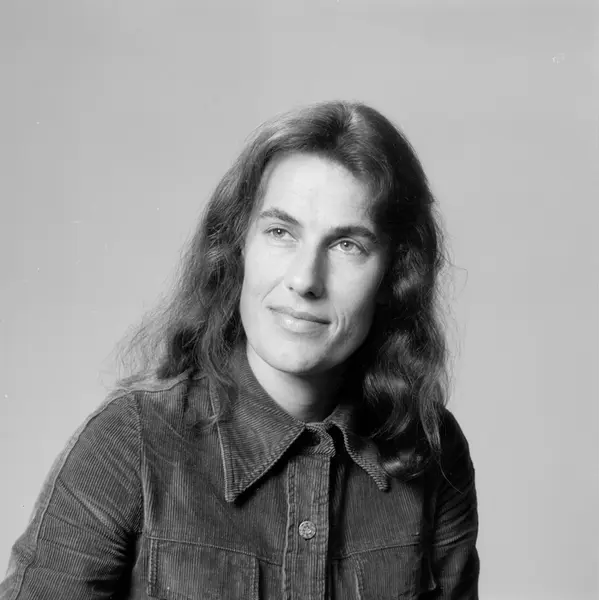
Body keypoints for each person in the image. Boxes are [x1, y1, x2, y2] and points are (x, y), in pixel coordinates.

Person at [0, 100, 479, 599]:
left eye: (347, 245)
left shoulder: (431, 450)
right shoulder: (129, 442)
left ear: (394, 275)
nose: (305, 280)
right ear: (238, 246)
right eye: (280, 232)